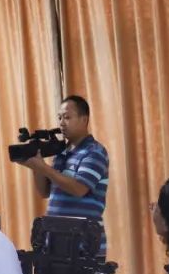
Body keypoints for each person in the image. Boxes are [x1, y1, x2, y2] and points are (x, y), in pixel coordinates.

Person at [17, 95, 110, 254]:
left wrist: (44, 168)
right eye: (59, 117)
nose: (61, 122)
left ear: (84, 120)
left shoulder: (94, 152)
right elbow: (44, 192)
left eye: (67, 117)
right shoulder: (61, 153)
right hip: (55, 240)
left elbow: (79, 188)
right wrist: (35, 165)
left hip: (84, 244)